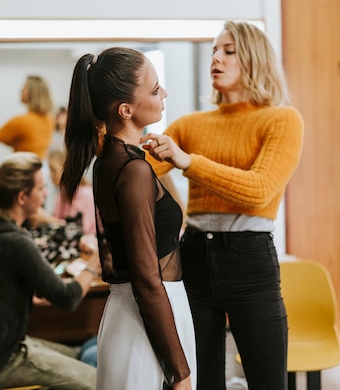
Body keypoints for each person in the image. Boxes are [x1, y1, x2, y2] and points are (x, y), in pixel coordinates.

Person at [141, 21, 304, 390]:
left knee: (267, 381)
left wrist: (189, 162)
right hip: (194, 256)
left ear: (253, 58)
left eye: (228, 50)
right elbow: (134, 175)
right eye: (215, 50)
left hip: (249, 260)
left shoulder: (282, 119)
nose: (216, 57)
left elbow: (259, 191)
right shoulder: (190, 125)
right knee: (199, 382)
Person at [61, 47, 196, 390]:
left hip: (138, 317)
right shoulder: (133, 170)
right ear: (126, 109)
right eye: (154, 90)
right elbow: (147, 280)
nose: (163, 93)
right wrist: (179, 373)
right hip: (147, 322)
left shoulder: (111, 161)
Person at [0, 152, 100, 390]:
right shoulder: (14, 241)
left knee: (79, 354)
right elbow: (68, 298)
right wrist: (93, 266)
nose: (46, 194)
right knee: (100, 382)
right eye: (41, 188)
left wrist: (19, 292)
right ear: (22, 197)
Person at [48, 148, 96, 235]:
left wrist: (47, 219)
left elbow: (81, 230)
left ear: (67, 169)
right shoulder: (61, 194)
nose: (50, 175)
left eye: (53, 170)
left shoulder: (86, 194)